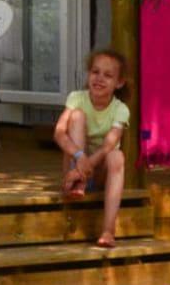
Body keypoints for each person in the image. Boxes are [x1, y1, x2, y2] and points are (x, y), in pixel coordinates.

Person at [55, 47, 131, 247]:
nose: (99, 78)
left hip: (98, 172)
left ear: (119, 82)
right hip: (75, 167)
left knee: (117, 156)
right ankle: (77, 183)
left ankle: (108, 230)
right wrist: (79, 157)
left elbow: (108, 145)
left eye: (108, 75)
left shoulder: (120, 109)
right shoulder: (76, 98)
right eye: (95, 72)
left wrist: (86, 167)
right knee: (77, 116)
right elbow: (59, 132)